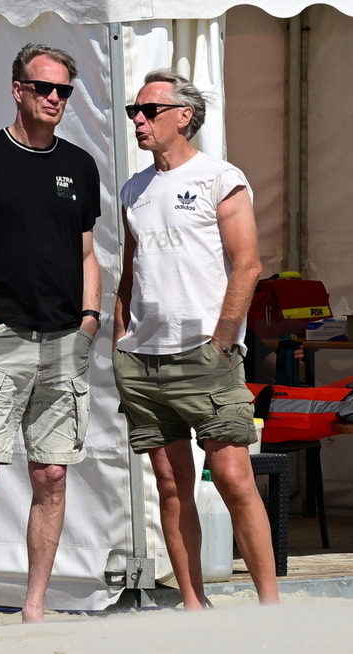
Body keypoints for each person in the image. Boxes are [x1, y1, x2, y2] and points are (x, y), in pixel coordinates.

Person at [0, 44, 102, 627]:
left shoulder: (79, 164)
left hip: (63, 341)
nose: (53, 99)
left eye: (63, 92)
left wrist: (90, 319)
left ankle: (34, 607)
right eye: (43, 88)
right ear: (17, 89)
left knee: (51, 474)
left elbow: (87, 254)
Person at [113, 69, 279, 609]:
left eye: (149, 110)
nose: (138, 120)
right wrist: (120, 339)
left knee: (233, 476)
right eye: (134, 111)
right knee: (169, 484)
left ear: (183, 115)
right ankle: (192, 603)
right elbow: (129, 270)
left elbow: (248, 265)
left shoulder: (219, 177)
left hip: (205, 355)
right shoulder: (133, 189)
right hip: (143, 359)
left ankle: (270, 605)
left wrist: (223, 342)